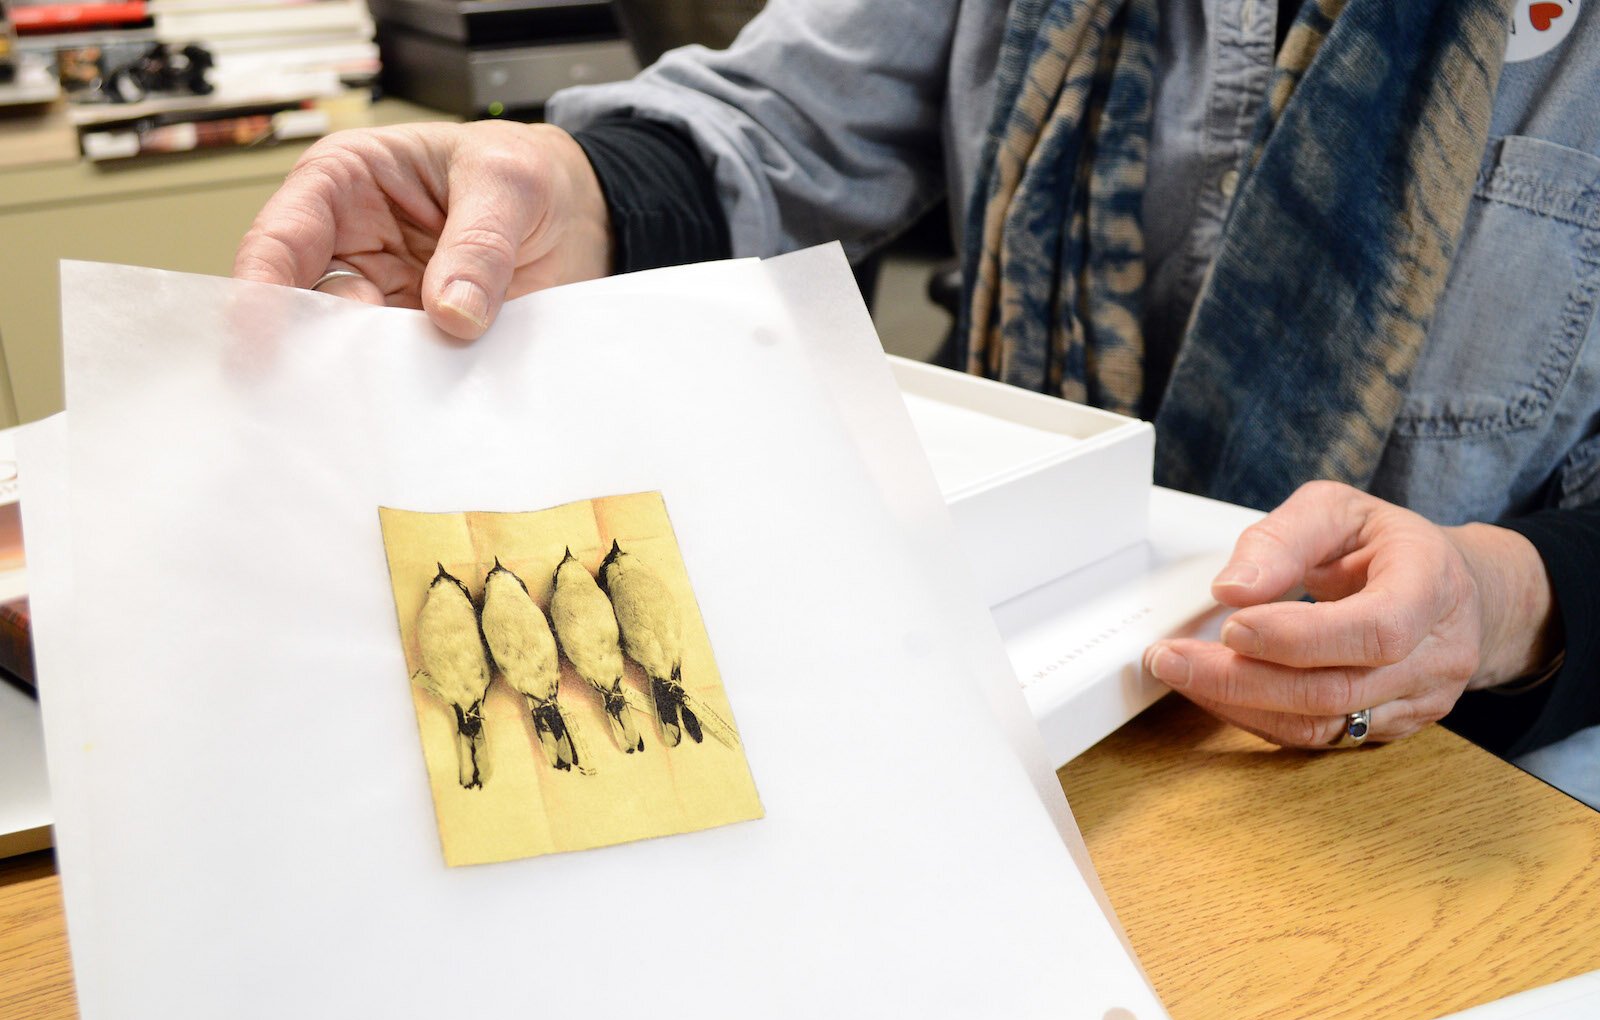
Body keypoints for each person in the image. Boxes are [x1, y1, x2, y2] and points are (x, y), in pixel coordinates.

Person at [233, 0, 1599, 786]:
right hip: (1020, 725)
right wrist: (567, 194)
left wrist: (1506, 600)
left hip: (1486, 796)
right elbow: (776, 129)